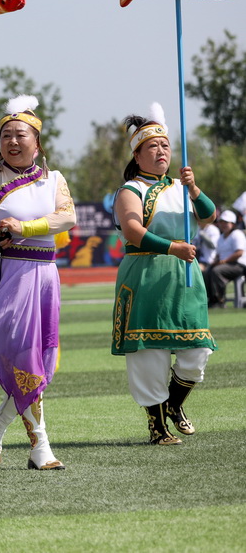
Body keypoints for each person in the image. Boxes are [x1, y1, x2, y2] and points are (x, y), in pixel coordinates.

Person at [0, 95, 74, 471]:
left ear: (37, 142)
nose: (13, 141)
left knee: (42, 364)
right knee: (26, 361)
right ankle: (41, 447)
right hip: (6, 277)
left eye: (21, 134)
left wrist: (25, 227)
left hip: (44, 278)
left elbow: (66, 218)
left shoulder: (54, 179)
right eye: (6, 134)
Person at [112, 105, 218, 445]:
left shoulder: (180, 185)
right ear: (138, 155)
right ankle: (157, 428)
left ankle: (174, 405)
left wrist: (195, 189)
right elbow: (131, 229)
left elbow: (209, 216)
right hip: (146, 274)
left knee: (196, 352)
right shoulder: (131, 189)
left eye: (165, 146)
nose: (161, 151)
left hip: (185, 276)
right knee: (149, 355)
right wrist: (173, 248)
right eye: (153, 146)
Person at [206, 210, 246, 308]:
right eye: (221, 222)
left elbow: (239, 253)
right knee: (208, 271)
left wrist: (224, 261)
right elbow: (219, 255)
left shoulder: (237, 234)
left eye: (226, 222)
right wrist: (215, 262)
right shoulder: (221, 237)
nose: (223, 225)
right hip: (226, 265)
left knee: (216, 271)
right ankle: (211, 299)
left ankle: (219, 300)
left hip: (238, 265)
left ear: (232, 224)